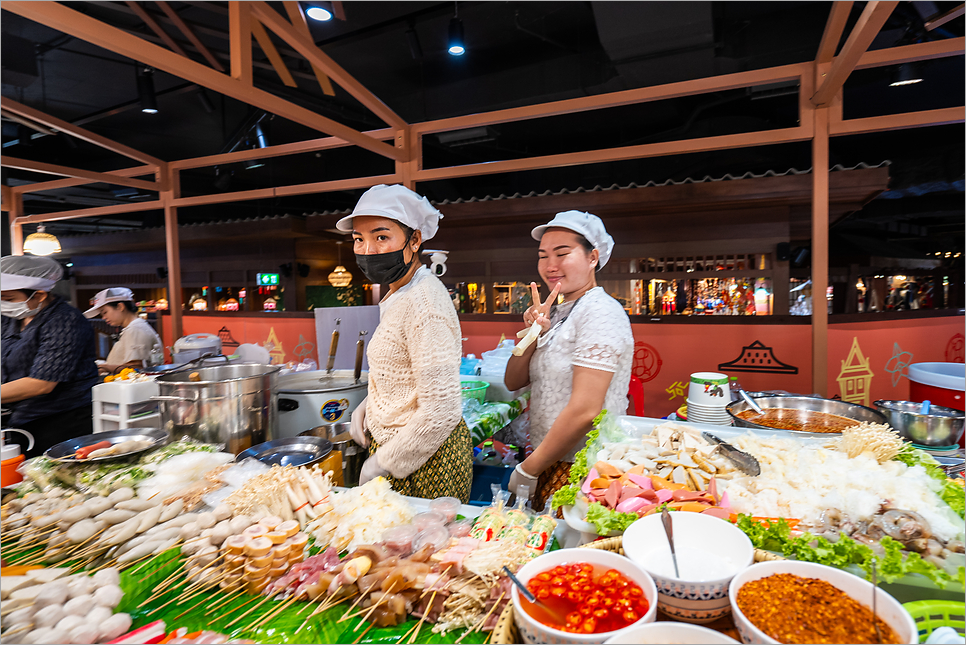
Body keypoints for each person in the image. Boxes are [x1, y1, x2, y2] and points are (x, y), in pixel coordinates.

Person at [340, 184, 472, 502]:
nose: (368, 250)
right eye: (359, 239)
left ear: (414, 240)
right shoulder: (400, 292)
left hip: (427, 463)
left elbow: (441, 411)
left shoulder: (424, 301)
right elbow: (404, 371)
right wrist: (368, 406)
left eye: (381, 236)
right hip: (398, 451)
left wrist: (377, 465)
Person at [504, 210, 634, 510]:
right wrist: (533, 334)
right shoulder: (559, 312)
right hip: (548, 457)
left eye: (562, 254)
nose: (550, 265)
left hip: (582, 466)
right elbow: (513, 381)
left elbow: (586, 409)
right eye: (543, 255)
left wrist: (528, 468)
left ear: (592, 258)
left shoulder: (600, 311)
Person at [1, 255, 98, 457]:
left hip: (62, 421)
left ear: (40, 295)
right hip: (20, 420)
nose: (3, 304)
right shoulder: (11, 319)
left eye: (8, 299)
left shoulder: (65, 320)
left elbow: (41, 383)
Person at [84, 287, 163, 373]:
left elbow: (136, 367)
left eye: (105, 312)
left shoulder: (135, 329)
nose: (104, 318)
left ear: (120, 306)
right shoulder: (133, 327)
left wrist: (104, 367)